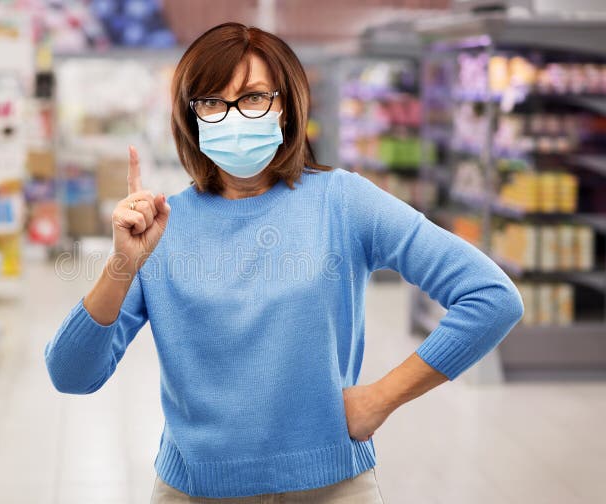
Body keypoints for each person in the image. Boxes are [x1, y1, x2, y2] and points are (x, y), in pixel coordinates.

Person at [44, 22, 524, 503]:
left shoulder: (343, 201)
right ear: (191, 119)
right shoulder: (160, 227)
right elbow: (71, 374)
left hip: (333, 487)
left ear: (287, 108)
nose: (232, 116)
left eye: (253, 97)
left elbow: (491, 297)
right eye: (211, 101)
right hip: (195, 490)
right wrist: (122, 265)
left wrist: (380, 398)